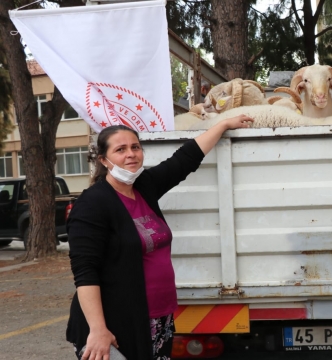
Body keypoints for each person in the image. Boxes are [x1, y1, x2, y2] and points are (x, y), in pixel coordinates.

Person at [66, 114, 253, 360]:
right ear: (103, 160)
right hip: (120, 321)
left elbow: (184, 160)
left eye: (135, 147)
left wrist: (223, 125)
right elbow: (85, 272)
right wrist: (98, 330)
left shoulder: (143, 187)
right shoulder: (92, 204)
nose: (131, 154)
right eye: (120, 149)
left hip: (159, 316)